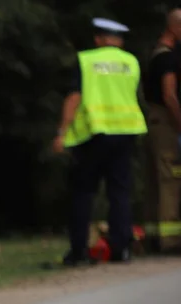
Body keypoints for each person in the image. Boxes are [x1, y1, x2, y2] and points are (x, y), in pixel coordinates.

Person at [53, 18, 148, 266]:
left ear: (98, 39)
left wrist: (62, 132)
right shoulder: (131, 62)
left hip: (94, 134)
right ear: (120, 40)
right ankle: (121, 249)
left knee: (83, 192)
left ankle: (79, 251)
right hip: (126, 132)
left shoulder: (87, 60)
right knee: (120, 192)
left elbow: (74, 98)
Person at [142, 9, 181, 254]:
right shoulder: (167, 58)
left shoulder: (156, 54)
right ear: (174, 28)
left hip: (155, 122)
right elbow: (169, 95)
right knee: (171, 180)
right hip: (166, 124)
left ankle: (154, 237)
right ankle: (171, 240)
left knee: (155, 181)